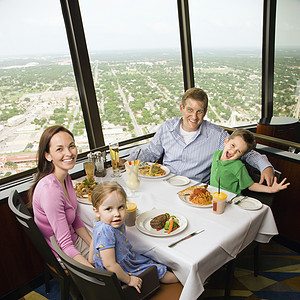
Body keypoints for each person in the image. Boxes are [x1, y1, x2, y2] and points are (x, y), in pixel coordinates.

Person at [128, 87, 275, 185]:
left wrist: (266, 167)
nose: (194, 116)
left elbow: (246, 153)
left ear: (204, 113)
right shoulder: (167, 128)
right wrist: (128, 161)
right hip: (165, 185)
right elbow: (151, 153)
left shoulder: (217, 136)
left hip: (194, 193)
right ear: (182, 108)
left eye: (199, 111)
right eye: (190, 110)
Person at [89, 182, 178, 293]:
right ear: (96, 211)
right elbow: (109, 265)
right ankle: (181, 280)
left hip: (125, 260)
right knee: (159, 270)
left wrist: (91, 259)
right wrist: (129, 279)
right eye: (109, 209)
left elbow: (94, 240)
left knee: (153, 261)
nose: (117, 213)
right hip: (120, 271)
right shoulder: (106, 230)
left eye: (121, 207)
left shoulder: (103, 222)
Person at [28, 125, 93, 267]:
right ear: (47, 155)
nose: (69, 153)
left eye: (71, 146)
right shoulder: (50, 191)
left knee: (110, 247)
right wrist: (98, 273)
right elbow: (65, 245)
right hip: (64, 253)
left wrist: (93, 246)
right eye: (59, 149)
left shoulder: (64, 176)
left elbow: (74, 218)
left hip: (73, 241)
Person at [210, 129, 290, 194]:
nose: (233, 151)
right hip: (214, 197)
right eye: (233, 145)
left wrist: (271, 189)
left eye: (238, 151)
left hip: (230, 201)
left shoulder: (238, 167)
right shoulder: (216, 154)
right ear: (226, 141)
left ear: (242, 155)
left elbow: (251, 185)